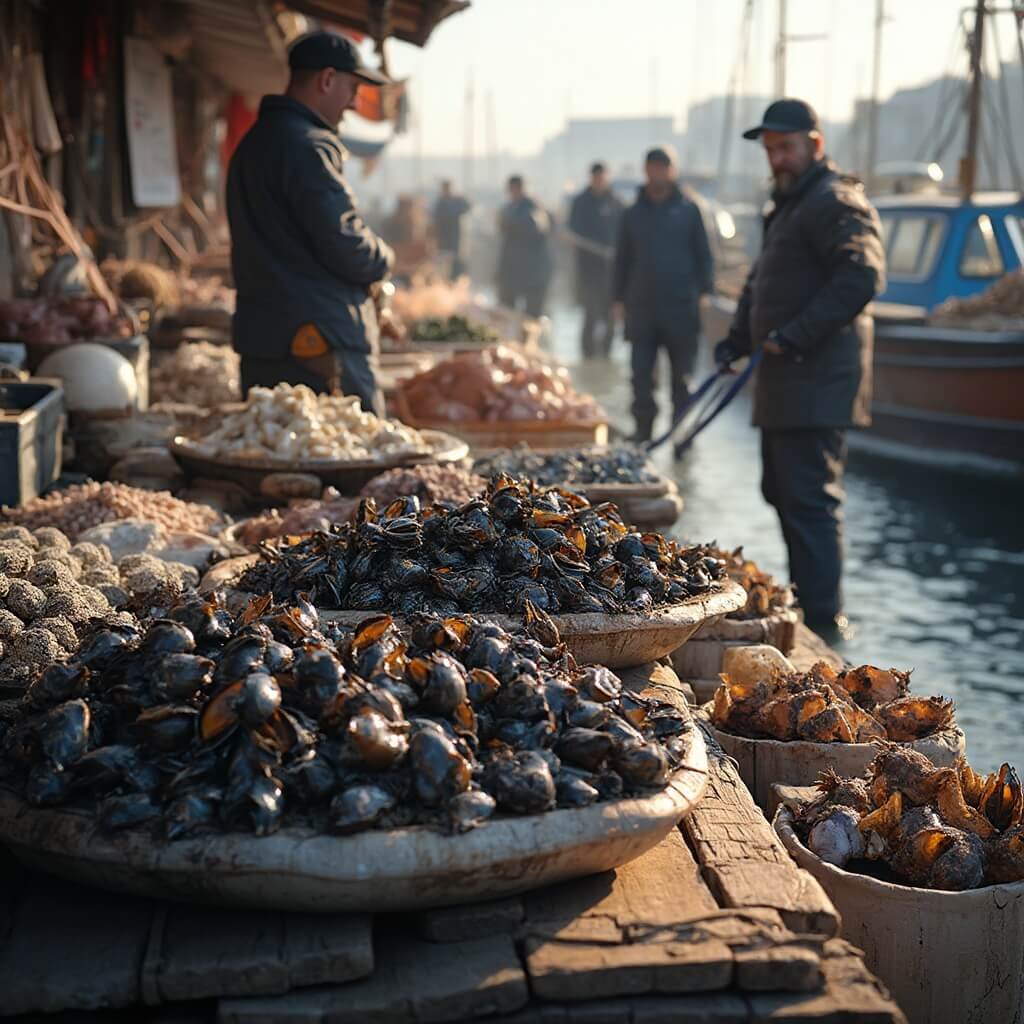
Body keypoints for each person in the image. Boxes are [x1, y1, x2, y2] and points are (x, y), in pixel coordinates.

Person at [715, 99, 886, 639]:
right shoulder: (791, 205)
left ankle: (823, 626)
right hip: (786, 382)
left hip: (818, 382)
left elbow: (862, 277)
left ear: (816, 144)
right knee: (783, 492)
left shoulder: (835, 200)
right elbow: (762, 281)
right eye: (770, 151)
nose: (777, 159)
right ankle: (812, 613)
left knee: (809, 502)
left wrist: (795, 335)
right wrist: (738, 339)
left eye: (785, 148)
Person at [226, 30, 396, 413]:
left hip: (264, 342)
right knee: (351, 460)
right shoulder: (308, 146)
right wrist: (385, 258)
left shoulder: (254, 143)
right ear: (326, 79)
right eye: (353, 89)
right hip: (317, 342)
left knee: (274, 462)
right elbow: (347, 244)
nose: (353, 104)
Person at [613, 146, 713, 443]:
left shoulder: (689, 209)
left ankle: (681, 432)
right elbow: (622, 259)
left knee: (682, 378)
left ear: (673, 171)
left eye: (664, 167)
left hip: (681, 308)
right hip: (641, 308)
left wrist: (703, 294)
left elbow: (704, 256)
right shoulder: (632, 213)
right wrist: (617, 299)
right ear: (646, 171)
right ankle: (643, 431)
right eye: (653, 167)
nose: (658, 173)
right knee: (641, 376)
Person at [568, 161, 624, 359]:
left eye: (602, 178)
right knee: (590, 315)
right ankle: (588, 355)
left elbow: (624, 232)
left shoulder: (616, 201)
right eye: (595, 178)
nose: (599, 182)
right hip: (588, 271)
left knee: (610, 318)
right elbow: (572, 232)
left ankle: (606, 354)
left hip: (612, 271)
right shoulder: (581, 202)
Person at [496, 175, 553, 317]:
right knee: (507, 312)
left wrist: (513, 224)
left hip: (533, 271)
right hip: (512, 270)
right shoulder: (509, 208)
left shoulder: (534, 208)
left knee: (532, 316)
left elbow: (539, 228)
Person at [432, 179, 471, 279]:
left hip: (455, 238)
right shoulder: (441, 202)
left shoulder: (457, 201)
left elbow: (468, 206)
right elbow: (435, 218)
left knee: (456, 264)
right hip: (443, 239)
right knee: (444, 265)